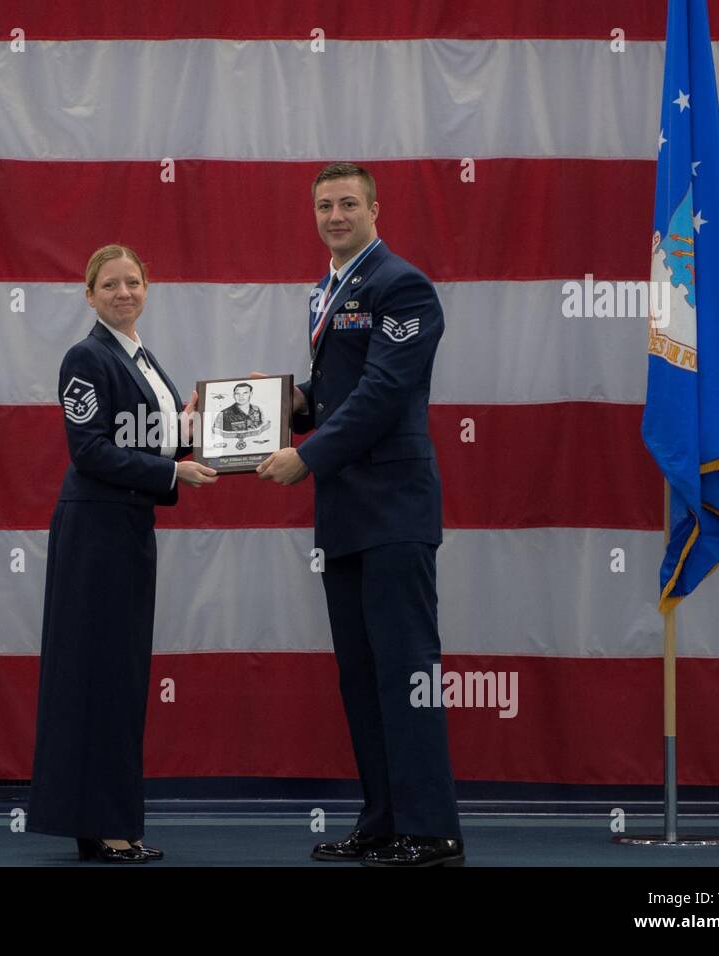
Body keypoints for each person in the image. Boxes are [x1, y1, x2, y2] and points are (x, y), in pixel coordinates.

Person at [257, 162, 464, 867]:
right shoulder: (329, 289)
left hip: (394, 509)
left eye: (348, 203)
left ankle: (431, 829)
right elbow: (339, 388)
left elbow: (382, 393)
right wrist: (278, 409)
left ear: (376, 208)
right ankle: (383, 821)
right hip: (346, 512)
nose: (335, 215)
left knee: (407, 669)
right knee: (361, 674)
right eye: (324, 205)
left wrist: (306, 456)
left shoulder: (401, 285)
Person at [26, 244, 218, 863]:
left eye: (133, 281)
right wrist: (173, 475)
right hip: (94, 536)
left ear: (148, 287)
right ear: (88, 294)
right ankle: (106, 827)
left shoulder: (140, 356)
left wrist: (192, 428)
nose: (124, 292)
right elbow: (90, 451)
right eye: (109, 284)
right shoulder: (87, 356)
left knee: (118, 677)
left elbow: (147, 438)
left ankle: (104, 820)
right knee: (100, 679)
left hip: (126, 530)